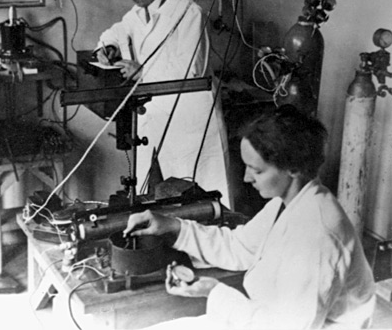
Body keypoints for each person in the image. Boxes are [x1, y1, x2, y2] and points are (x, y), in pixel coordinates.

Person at [124, 105, 376, 329]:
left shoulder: (318, 237)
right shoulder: (288, 202)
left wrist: (214, 292)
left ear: (293, 168)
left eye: (256, 170)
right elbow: (240, 247)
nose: (246, 178)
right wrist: (171, 226)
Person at [96, 0, 230, 206]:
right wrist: (108, 47)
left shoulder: (189, 13)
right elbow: (114, 33)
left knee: (201, 197)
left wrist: (143, 71)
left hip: (188, 118)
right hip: (154, 113)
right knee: (154, 194)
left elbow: (193, 70)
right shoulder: (137, 14)